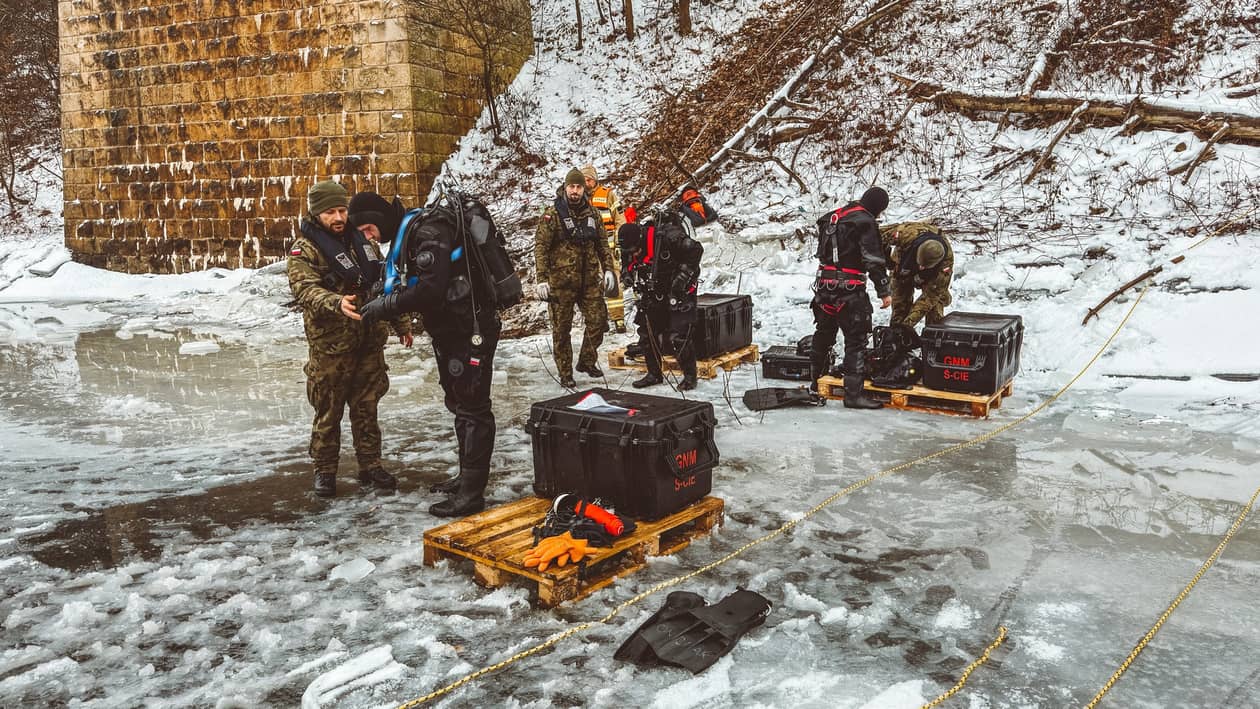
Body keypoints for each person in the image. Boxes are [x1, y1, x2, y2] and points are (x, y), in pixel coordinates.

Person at [354, 190, 502, 517]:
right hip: (453, 330)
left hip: (470, 330)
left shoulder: (428, 232)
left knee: (473, 408)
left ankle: (471, 495)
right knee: (459, 402)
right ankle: (466, 479)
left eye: (367, 229)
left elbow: (431, 290)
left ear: (378, 221)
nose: (368, 237)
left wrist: (388, 305)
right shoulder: (412, 232)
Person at [287, 181, 412, 497]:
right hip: (332, 347)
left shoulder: (364, 244)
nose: (339, 217)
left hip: (369, 343)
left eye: (342, 210)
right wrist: (335, 302)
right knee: (328, 412)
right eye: (331, 212)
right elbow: (304, 289)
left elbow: (384, 285)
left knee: (367, 409)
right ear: (317, 214)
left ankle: (371, 466)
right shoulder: (306, 250)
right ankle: (325, 471)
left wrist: (401, 323)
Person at [809, 187, 892, 409]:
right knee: (856, 340)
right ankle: (853, 395)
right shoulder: (865, 221)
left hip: (824, 289)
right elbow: (873, 259)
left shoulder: (831, 218)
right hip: (850, 291)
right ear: (877, 208)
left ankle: (814, 383)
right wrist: (884, 291)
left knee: (824, 334)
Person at [535, 168, 616, 388]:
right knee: (562, 330)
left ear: (584, 189)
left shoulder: (593, 214)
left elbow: (602, 244)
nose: (575, 191)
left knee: (598, 321)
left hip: (589, 280)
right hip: (562, 283)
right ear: (565, 187)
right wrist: (542, 278)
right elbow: (541, 247)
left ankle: (586, 361)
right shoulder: (553, 215)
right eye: (572, 186)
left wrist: (608, 269)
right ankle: (565, 372)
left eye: (579, 187)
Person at [618, 208, 704, 390]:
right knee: (647, 332)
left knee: (678, 335)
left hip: (678, 290)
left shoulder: (668, 237)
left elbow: (696, 250)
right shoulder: (629, 246)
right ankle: (654, 374)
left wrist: (681, 278)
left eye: (635, 250)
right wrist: (626, 273)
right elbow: (626, 260)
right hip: (653, 290)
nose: (633, 254)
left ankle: (690, 377)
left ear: (640, 240)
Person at [880, 221, 953, 328]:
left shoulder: (945, 265)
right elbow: (876, 236)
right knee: (900, 301)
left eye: (925, 266)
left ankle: (933, 334)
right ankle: (895, 333)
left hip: (931, 277)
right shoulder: (905, 234)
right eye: (920, 264)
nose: (921, 268)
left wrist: (908, 324)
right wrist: (887, 261)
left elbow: (929, 298)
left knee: (935, 303)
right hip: (904, 263)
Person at [582, 164, 628, 333]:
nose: (586, 183)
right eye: (584, 179)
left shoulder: (608, 195)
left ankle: (619, 320)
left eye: (589, 179)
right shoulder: (578, 199)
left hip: (608, 249)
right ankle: (600, 321)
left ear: (595, 180)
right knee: (592, 287)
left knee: (613, 284)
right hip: (588, 250)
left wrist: (618, 242)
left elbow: (620, 220)